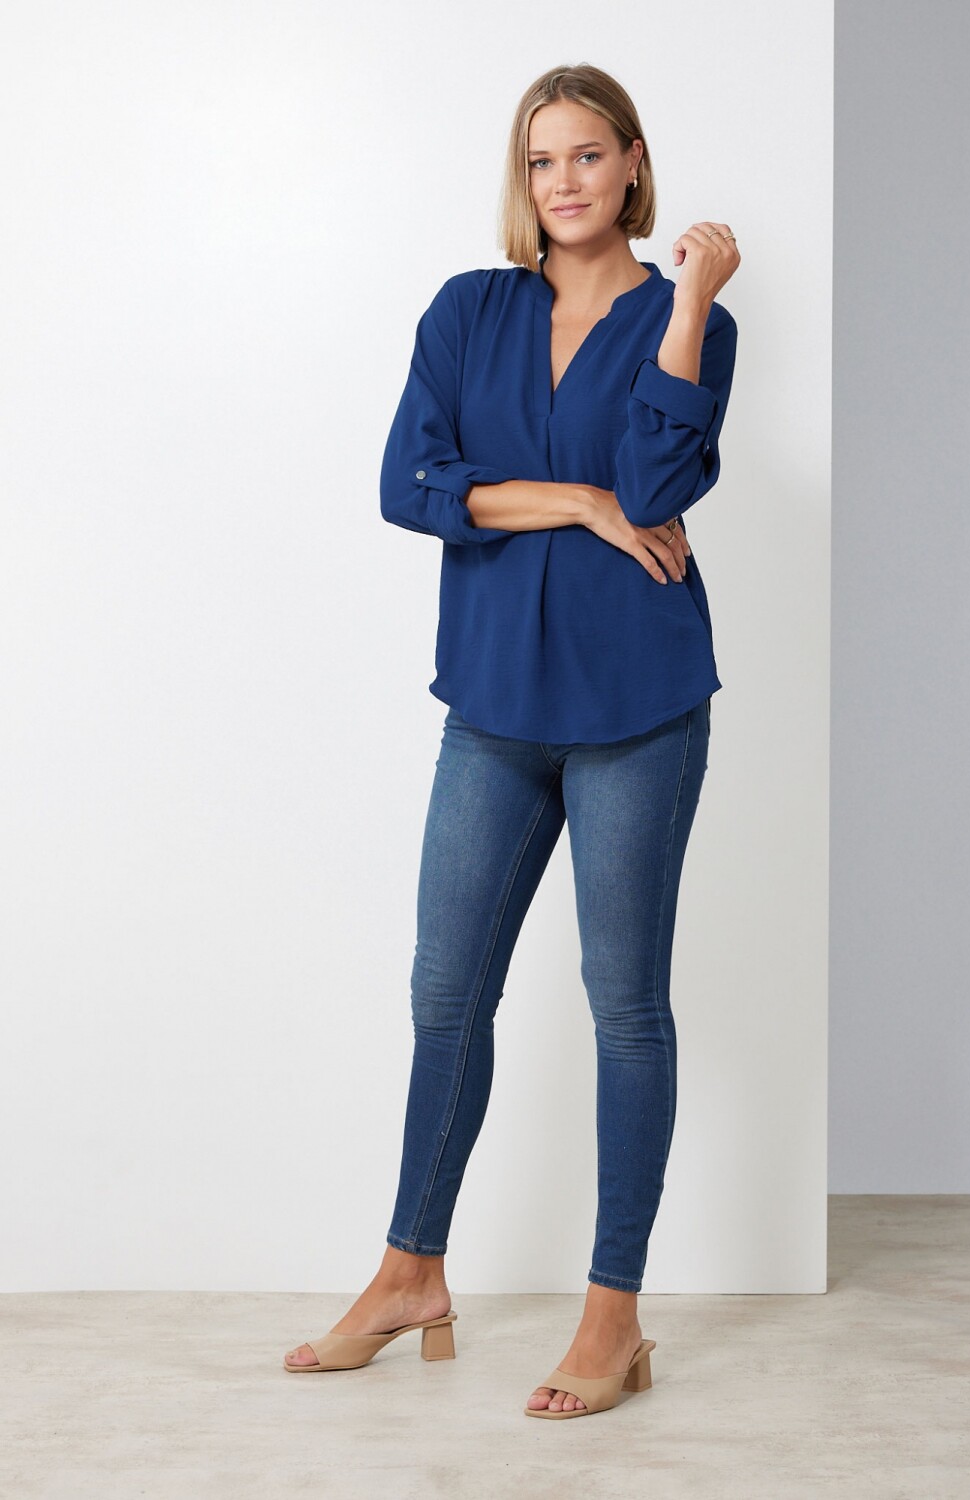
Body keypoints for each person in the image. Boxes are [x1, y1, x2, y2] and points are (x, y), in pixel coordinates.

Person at [283, 61, 739, 1420]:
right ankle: (410, 1272)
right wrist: (577, 503)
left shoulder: (689, 321)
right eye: (542, 160)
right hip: (492, 703)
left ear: (633, 164)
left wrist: (691, 301)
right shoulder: (468, 310)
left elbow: (656, 480)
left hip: (637, 705)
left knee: (625, 1009)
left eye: (589, 155)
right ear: (521, 178)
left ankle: (613, 1315)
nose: (564, 182)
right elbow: (407, 483)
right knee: (445, 997)